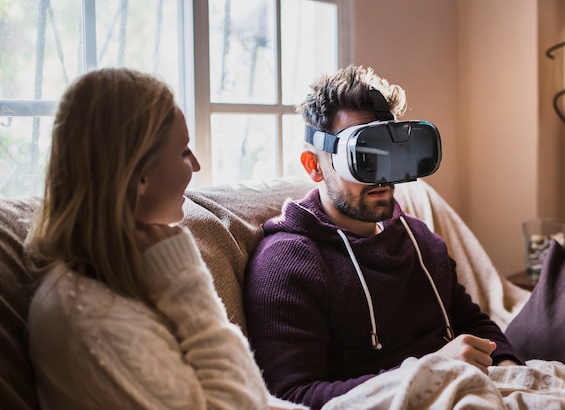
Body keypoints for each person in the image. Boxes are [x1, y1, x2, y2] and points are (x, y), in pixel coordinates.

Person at [243, 64, 524, 410]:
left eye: (388, 152)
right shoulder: (287, 265)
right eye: (362, 156)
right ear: (314, 166)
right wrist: (432, 371)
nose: (382, 177)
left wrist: (509, 368)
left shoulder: (419, 239)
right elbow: (292, 397)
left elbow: (474, 322)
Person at [25, 67, 305, 410]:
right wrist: (188, 284)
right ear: (139, 176)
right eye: (184, 152)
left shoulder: (128, 276)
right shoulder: (91, 324)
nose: (197, 166)